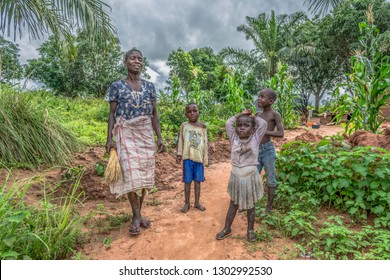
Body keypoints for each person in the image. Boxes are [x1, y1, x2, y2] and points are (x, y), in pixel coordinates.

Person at [105, 48, 165, 236]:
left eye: (140, 58)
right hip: (126, 133)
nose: (137, 61)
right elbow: (112, 114)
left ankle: (139, 214)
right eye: (133, 58)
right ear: (126, 62)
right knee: (131, 175)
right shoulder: (117, 86)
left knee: (145, 175)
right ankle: (136, 215)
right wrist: (109, 139)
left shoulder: (149, 86)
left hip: (145, 133)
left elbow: (154, 114)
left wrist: (160, 137)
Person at [216, 109, 267, 242]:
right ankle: (227, 228)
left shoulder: (256, 138)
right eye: (239, 125)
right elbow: (228, 123)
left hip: (250, 176)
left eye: (246, 125)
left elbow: (264, 125)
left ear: (253, 128)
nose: (242, 128)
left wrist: (253, 117)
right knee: (233, 204)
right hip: (236, 177)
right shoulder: (233, 138)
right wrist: (240, 114)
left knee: (251, 206)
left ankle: (250, 231)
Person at [176, 103, 209, 213]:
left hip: (199, 158)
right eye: (189, 112)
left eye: (195, 111)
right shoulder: (184, 126)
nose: (192, 113)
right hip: (187, 158)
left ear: (199, 112)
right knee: (187, 181)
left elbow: (205, 144)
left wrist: (205, 158)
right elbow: (181, 140)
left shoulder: (203, 127)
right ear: (186, 114)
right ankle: (186, 203)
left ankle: (197, 202)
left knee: (198, 181)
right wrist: (179, 154)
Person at [256, 89, 284, 212]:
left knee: (271, 179)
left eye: (262, 97)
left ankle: (269, 207)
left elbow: (280, 133)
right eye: (259, 96)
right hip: (255, 150)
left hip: (268, 149)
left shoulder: (275, 115)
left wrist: (263, 131)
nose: (259, 98)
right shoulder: (257, 115)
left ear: (270, 101)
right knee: (253, 177)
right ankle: (250, 203)